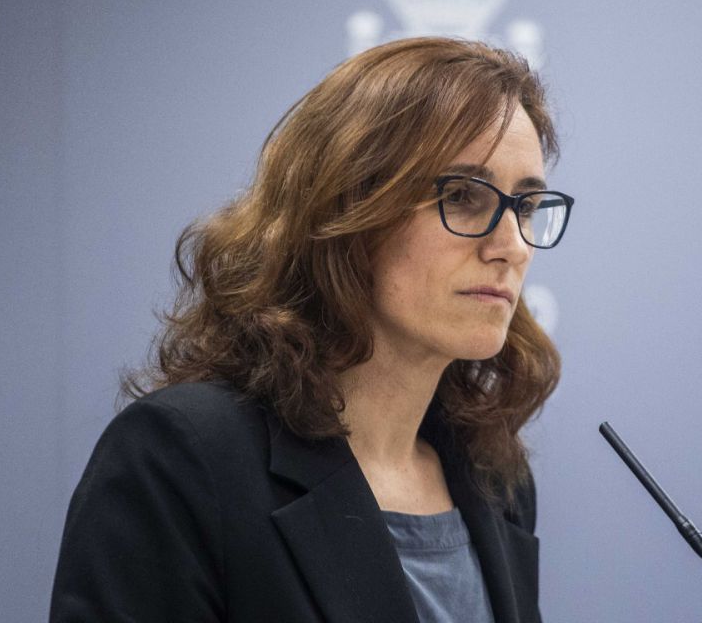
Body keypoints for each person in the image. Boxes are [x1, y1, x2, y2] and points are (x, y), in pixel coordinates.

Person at [49, 37, 574, 623]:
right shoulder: (185, 459)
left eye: (526, 207)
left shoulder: (496, 482)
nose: (511, 245)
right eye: (461, 196)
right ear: (347, 207)